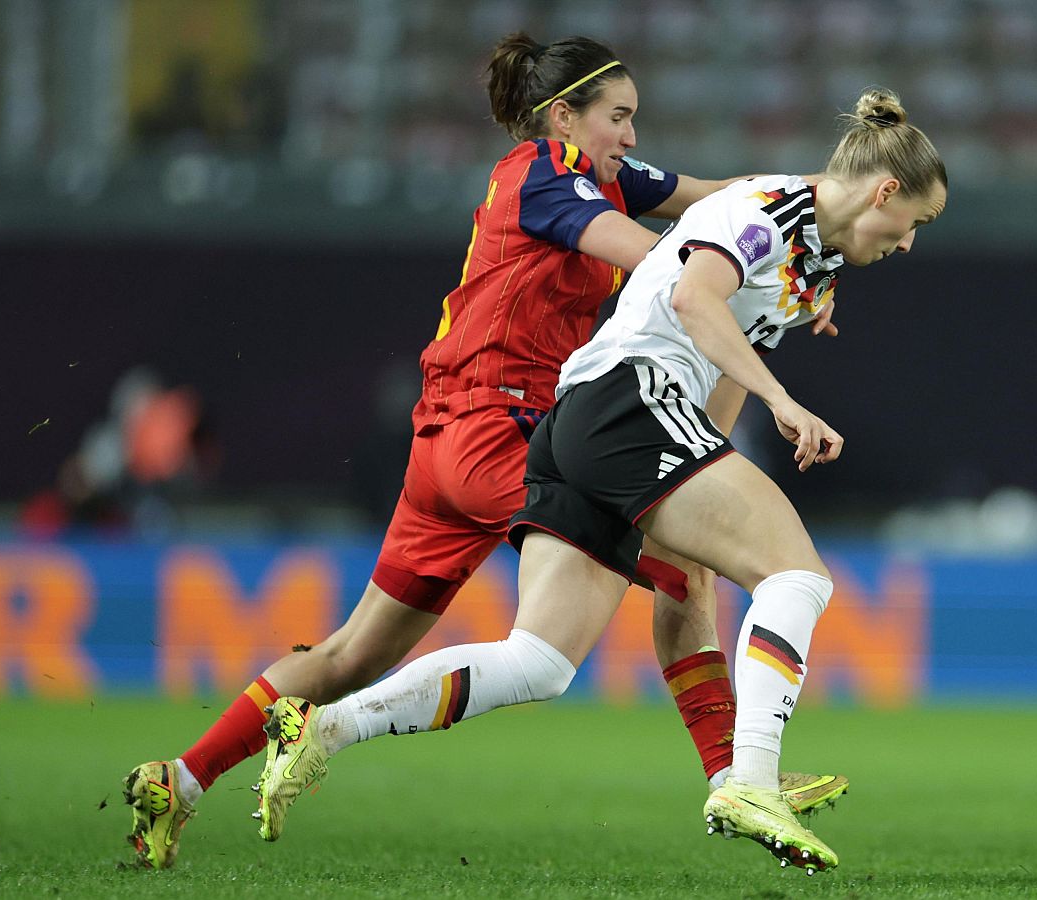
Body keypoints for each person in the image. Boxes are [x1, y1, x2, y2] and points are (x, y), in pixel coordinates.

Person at [122, 33, 844, 870]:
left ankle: (181, 779)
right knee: (684, 569)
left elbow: (721, 202)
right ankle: (737, 775)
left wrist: (825, 209)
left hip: (448, 444)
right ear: (561, 114)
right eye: (618, 117)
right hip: (505, 431)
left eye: (635, 119)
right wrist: (764, 285)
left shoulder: (602, 175)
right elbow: (665, 263)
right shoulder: (544, 171)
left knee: (353, 654)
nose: (633, 138)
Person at [252, 87, 948, 875]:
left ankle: (324, 728)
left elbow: (722, 363)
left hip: (587, 426)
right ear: (885, 191)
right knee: (797, 575)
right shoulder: (764, 210)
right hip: (627, 400)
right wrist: (782, 402)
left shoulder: (813, 269)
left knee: (541, 661)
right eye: (916, 223)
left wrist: (707, 471)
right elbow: (692, 298)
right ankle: (750, 779)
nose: (909, 245)